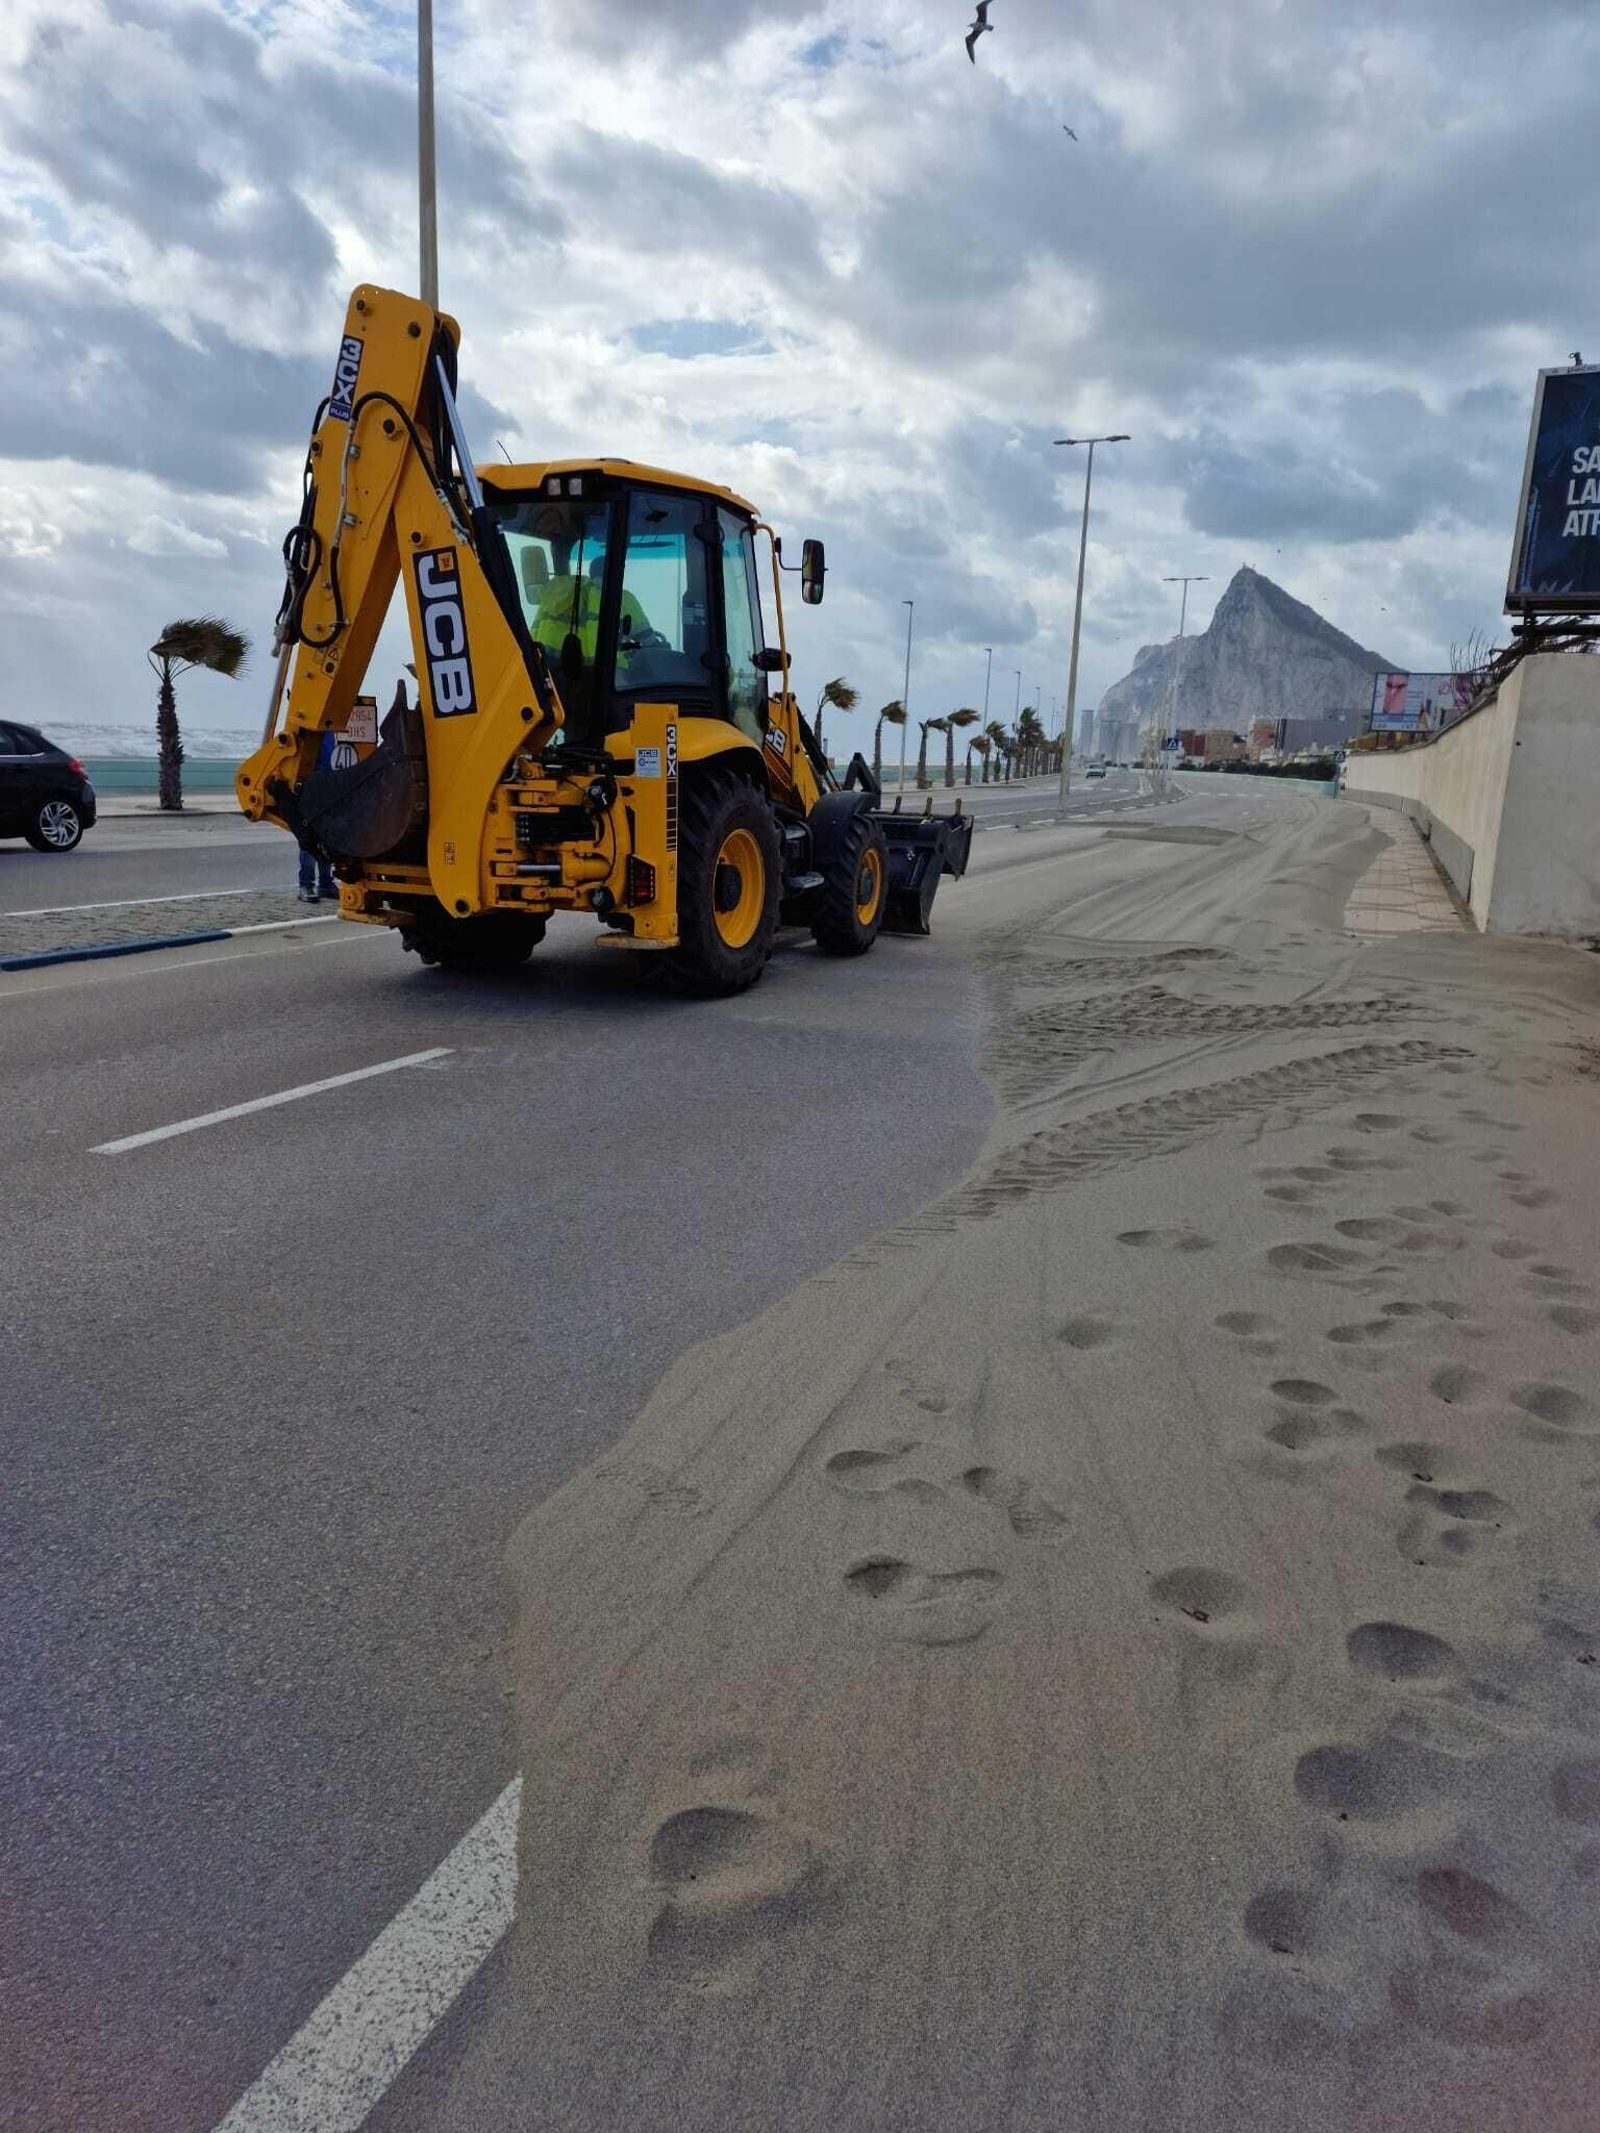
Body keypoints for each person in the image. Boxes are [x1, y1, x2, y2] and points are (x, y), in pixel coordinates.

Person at [296, 727, 338, 902]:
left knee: (326, 837)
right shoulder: (309, 727)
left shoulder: (332, 728)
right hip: (311, 786)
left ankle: (325, 883)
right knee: (310, 838)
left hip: (329, 785)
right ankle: (306, 885)